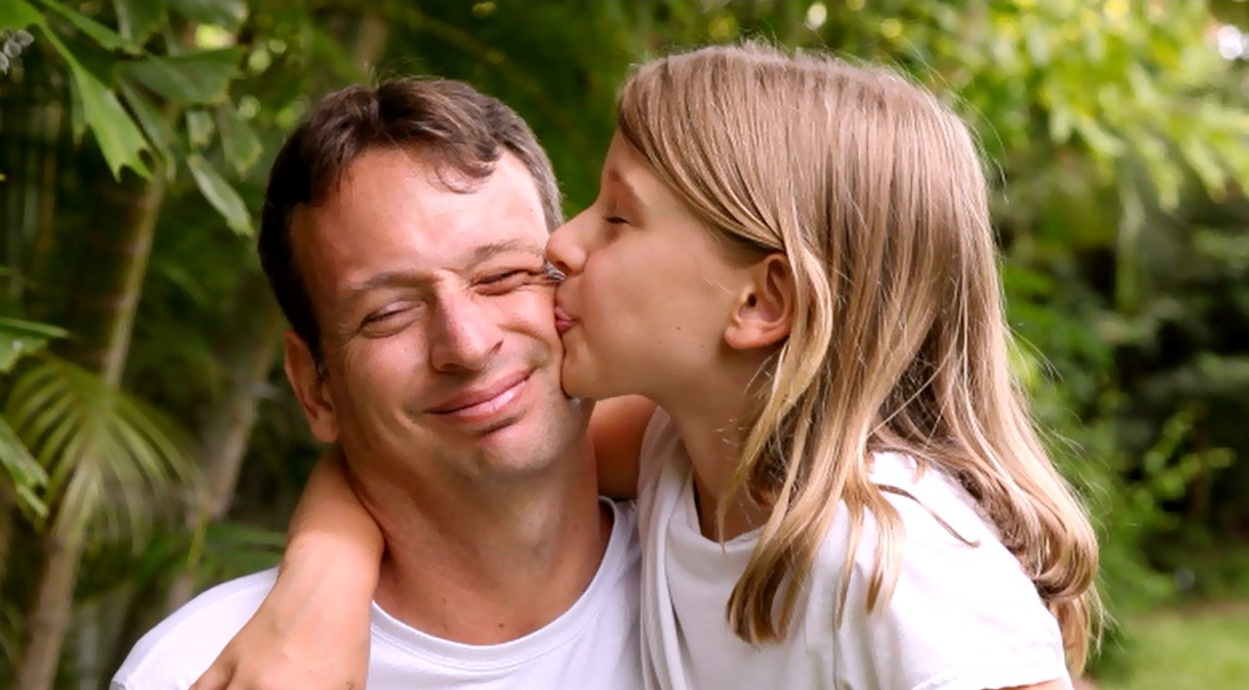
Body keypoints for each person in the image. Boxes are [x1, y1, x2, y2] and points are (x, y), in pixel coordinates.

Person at [194, 42, 1101, 690]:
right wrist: (322, 583)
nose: (561, 244)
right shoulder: (687, 457)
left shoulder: (894, 561)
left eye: (617, 217)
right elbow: (426, 457)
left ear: (759, 303)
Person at [110, 77, 643, 690]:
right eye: (388, 313)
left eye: (502, 276)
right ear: (315, 388)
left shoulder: (716, 553)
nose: (468, 345)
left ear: (573, 286)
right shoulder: (201, 670)